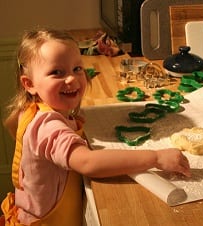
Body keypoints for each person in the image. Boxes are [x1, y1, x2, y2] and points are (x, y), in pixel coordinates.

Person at [0, 29, 191, 225]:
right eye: (56, 72)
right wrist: (156, 158)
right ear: (29, 84)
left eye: (77, 69)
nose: (72, 79)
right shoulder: (47, 126)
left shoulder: (34, 109)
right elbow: (88, 163)